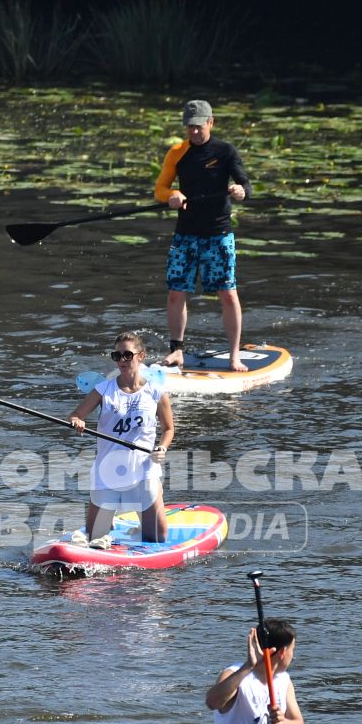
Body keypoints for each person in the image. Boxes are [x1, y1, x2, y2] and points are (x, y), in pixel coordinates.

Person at [155, 100, 251, 372]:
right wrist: (172, 195)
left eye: (199, 126)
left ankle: (234, 356)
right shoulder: (177, 152)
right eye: (189, 127)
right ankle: (176, 352)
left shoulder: (225, 151)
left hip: (218, 234)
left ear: (211, 122)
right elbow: (160, 189)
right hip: (185, 234)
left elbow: (245, 184)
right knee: (176, 293)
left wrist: (241, 191)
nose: (194, 132)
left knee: (227, 293)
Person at [68, 332, 174, 545]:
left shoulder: (155, 392)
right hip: (108, 470)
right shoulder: (104, 390)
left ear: (141, 356)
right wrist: (77, 421)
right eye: (117, 356)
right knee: (94, 539)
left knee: (158, 538)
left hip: (143, 470)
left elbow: (168, 429)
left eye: (127, 355)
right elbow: (75, 415)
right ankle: (110, 519)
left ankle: (141, 519)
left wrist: (162, 448)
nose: (122, 360)